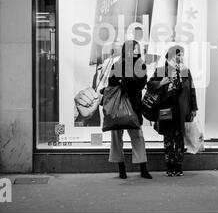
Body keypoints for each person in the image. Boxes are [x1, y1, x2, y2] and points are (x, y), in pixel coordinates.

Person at [74, 40, 152, 179]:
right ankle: (121, 169)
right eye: (133, 48)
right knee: (117, 138)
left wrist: (127, 78)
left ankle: (143, 168)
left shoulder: (140, 64)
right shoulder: (117, 64)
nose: (135, 51)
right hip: (117, 107)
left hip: (133, 107)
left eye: (137, 48)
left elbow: (140, 84)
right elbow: (112, 85)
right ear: (127, 50)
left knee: (138, 137)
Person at [147, 45, 198, 176]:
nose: (181, 57)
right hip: (166, 109)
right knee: (169, 139)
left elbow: (191, 90)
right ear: (171, 55)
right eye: (178, 54)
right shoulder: (161, 70)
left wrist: (193, 108)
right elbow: (150, 85)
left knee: (180, 138)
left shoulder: (185, 71)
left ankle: (178, 166)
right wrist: (161, 83)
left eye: (182, 55)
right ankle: (170, 167)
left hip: (181, 110)